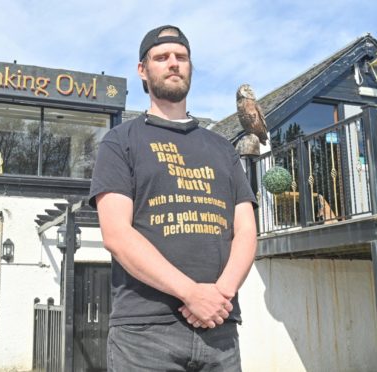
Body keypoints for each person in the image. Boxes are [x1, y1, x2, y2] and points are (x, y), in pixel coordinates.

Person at [89, 25, 257, 371]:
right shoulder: (120, 142)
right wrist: (191, 293)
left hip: (220, 330)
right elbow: (117, 236)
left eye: (181, 57)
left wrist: (219, 295)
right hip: (145, 334)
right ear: (143, 70)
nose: (173, 63)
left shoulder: (222, 149)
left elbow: (245, 231)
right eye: (162, 57)